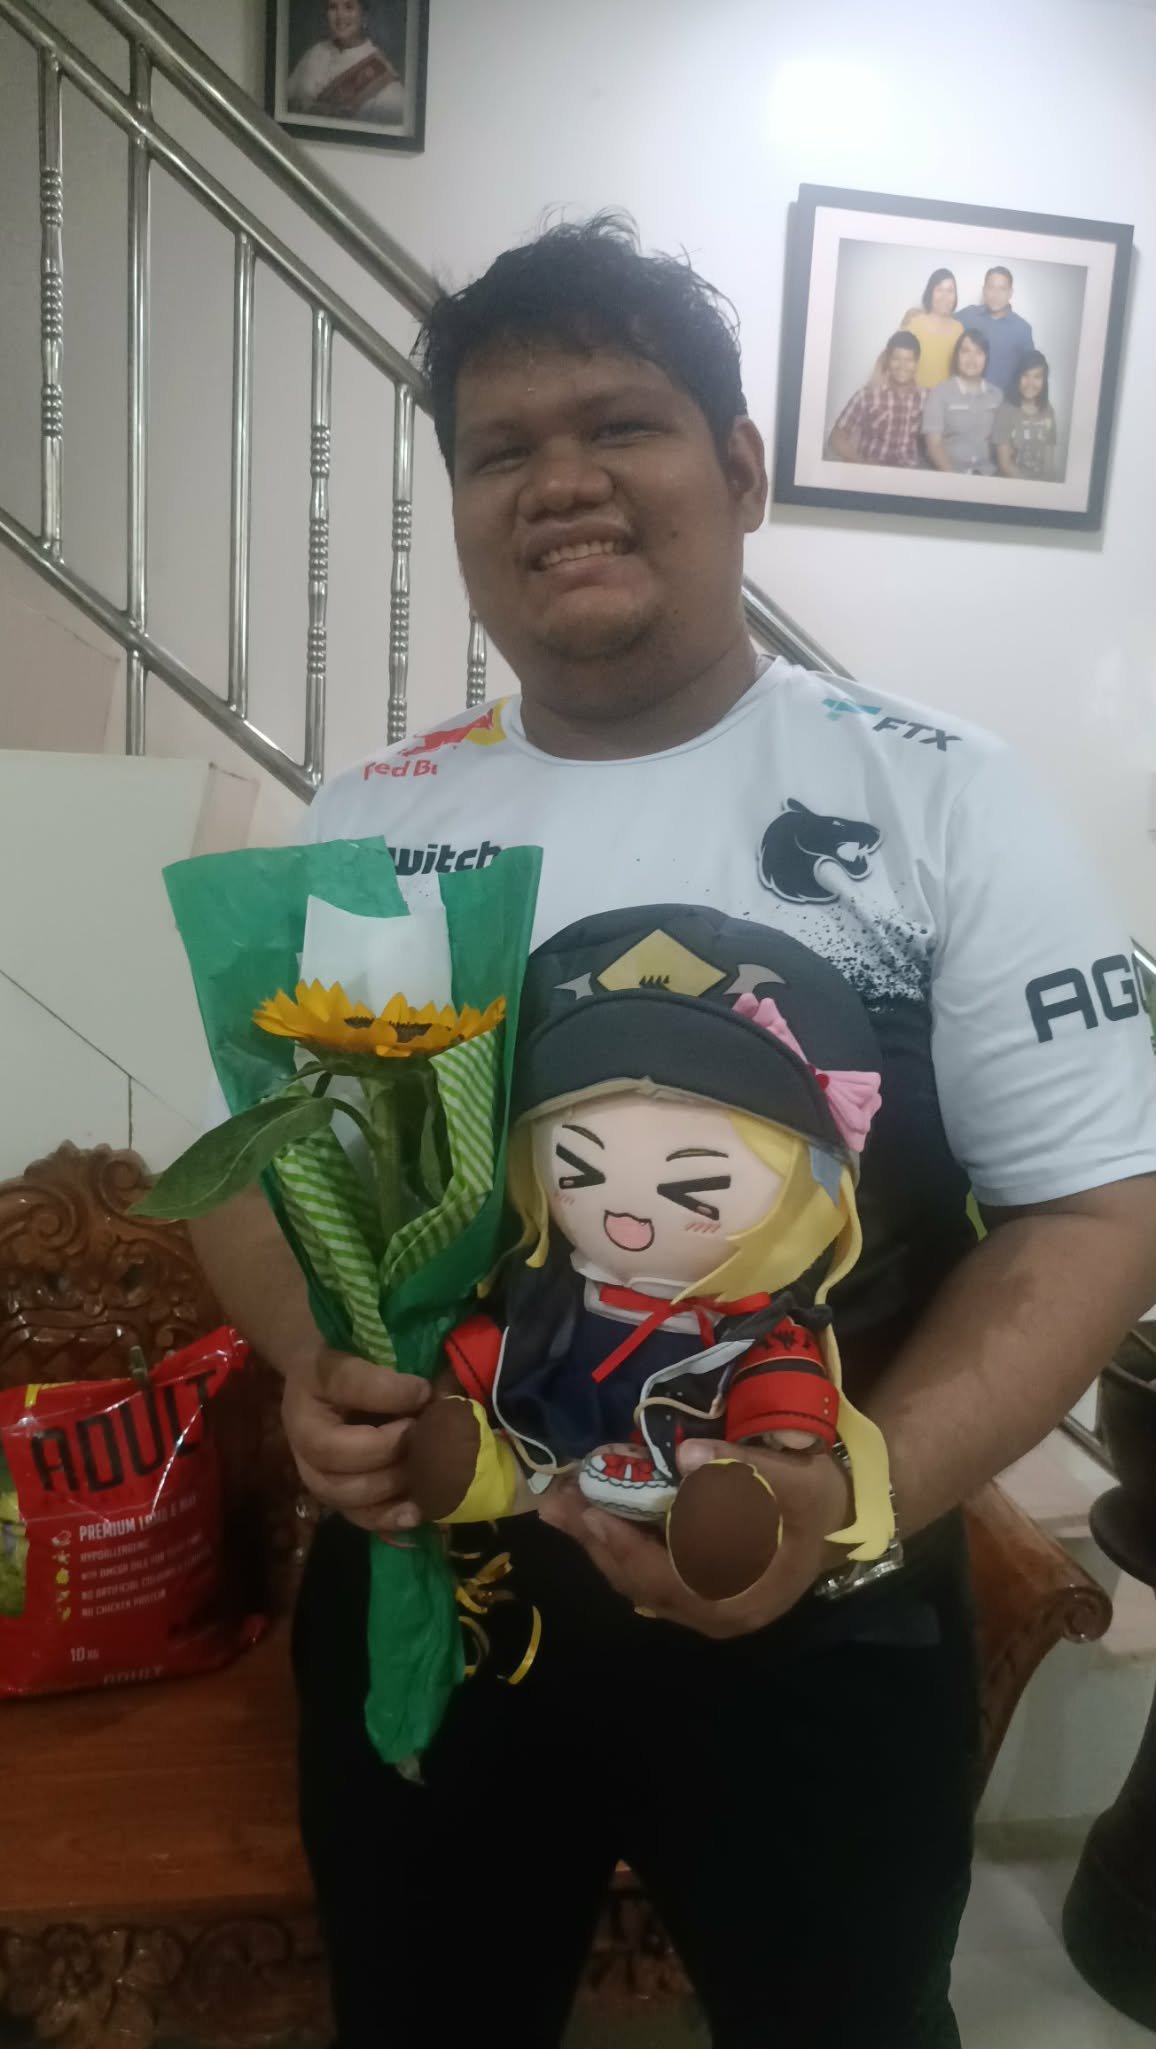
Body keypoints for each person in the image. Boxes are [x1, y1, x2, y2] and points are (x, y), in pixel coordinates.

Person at [189, 216, 1156, 2049]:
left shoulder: (939, 797)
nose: (559, 480)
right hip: (446, 1588)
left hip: (826, 1586)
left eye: (619, 423)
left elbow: (1093, 1209)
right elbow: (257, 1164)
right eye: (500, 448)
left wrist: (855, 1491)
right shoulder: (379, 814)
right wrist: (321, 1361)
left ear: (741, 471)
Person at [286, 0, 405, 123]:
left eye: (349, 7)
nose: (340, 16)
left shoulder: (379, 69)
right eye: (333, 7)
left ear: (364, 16)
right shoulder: (315, 52)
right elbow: (285, 99)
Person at [829, 330, 924, 467]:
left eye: (909, 360)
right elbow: (836, 438)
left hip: (908, 473)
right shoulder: (866, 396)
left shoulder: (925, 397)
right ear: (888, 360)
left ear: (917, 363)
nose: (902, 366)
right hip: (872, 470)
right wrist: (862, 463)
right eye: (896, 359)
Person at [923, 330, 1004, 474]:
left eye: (979, 352)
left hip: (988, 476)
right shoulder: (939, 394)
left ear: (986, 358)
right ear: (957, 356)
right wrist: (954, 479)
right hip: (951, 475)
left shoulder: (997, 396)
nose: (972, 359)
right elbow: (934, 444)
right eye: (965, 351)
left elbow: (1003, 446)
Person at [956, 266, 1035, 395]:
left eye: (1002, 289)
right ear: (984, 290)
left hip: (1002, 402)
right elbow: (943, 321)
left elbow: (1031, 370)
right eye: (991, 287)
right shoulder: (969, 315)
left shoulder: (1022, 329)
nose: (996, 295)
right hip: (966, 398)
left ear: (1010, 293)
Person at [993, 350, 1060, 482]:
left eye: (1037, 377)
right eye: (1025, 375)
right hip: (1014, 484)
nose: (1030, 383)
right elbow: (1005, 465)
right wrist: (1030, 489)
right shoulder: (1005, 411)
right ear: (1018, 378)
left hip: (1042, 485)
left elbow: (1049, 461)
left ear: (1044, 381)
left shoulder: (1048, 410)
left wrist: (1046, 486)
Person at [900, 267, 964, 389]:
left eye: (950, 291)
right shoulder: (914, 323)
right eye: (939, 289)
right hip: (915, 396)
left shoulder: (959, 329)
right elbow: (892, 358)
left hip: (944, 398)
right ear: (930, 293)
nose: (945, 296)